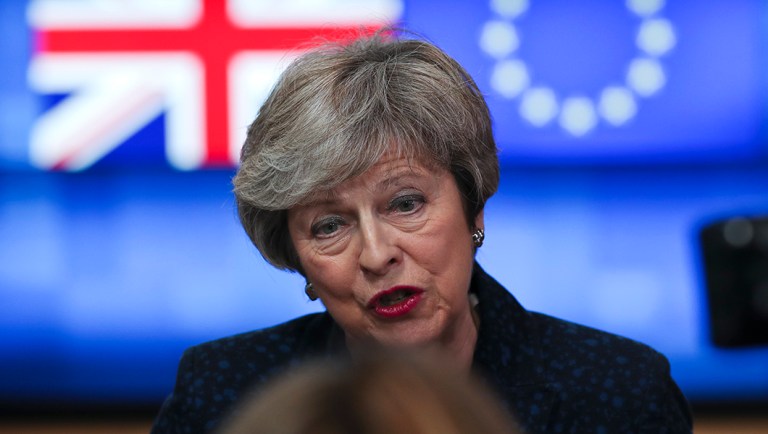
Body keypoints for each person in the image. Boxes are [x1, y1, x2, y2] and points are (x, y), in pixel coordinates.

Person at [152, 31, 693, 434]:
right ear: (296, 257)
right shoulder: (223, 394)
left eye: (405, 204)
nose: (376, 254)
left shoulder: (617, 394)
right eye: (329, 226)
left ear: (473, 209)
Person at [215, 350, 522, 434]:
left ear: (476, 219)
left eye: (406, 212)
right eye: (330, 226)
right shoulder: (213, 379)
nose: (376, 256)